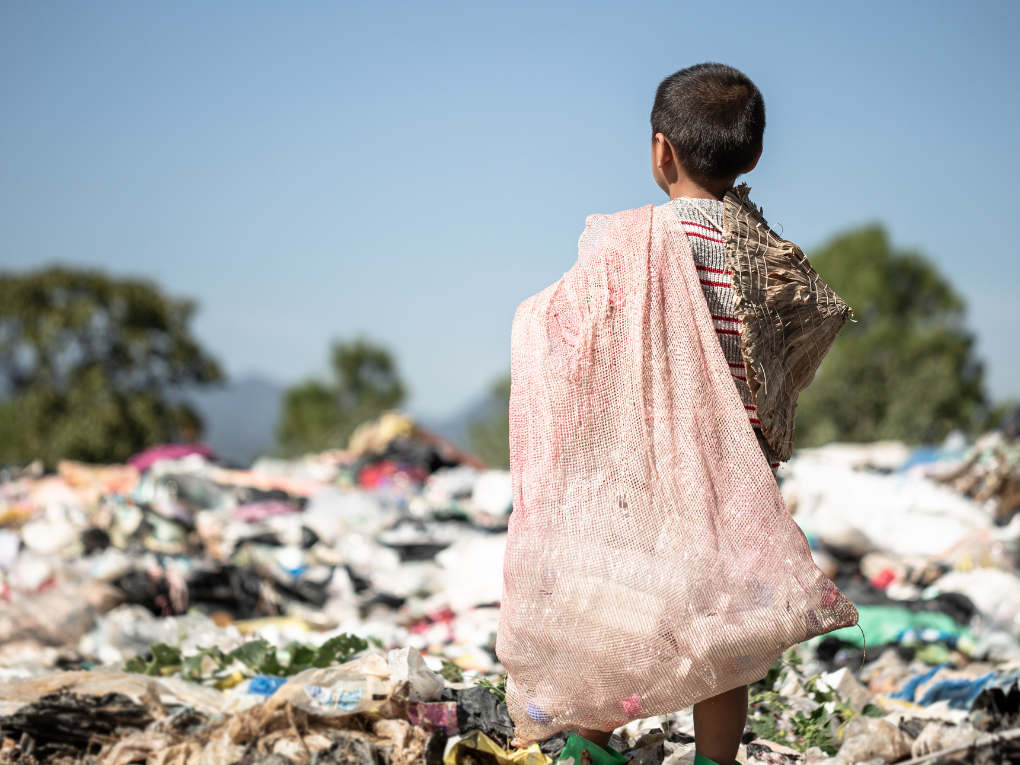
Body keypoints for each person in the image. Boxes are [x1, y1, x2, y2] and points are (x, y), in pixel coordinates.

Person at [498, 62, 855, 765]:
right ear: (752, 156)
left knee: (615, 609)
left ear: (661, 150)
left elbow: (570, 330)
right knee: (725, 630)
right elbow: (798, 338)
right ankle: (715, 760)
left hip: (641, 472)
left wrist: (527, 321)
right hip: (733, 477)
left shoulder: (626, 245)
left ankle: (589, 749)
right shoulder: (768, 257)